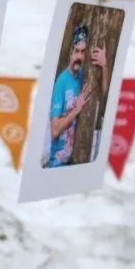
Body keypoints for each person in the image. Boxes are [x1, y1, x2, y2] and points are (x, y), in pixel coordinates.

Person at [46, 23, 107, 168]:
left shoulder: (84, 77)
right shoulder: (61, 82)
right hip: (56, 164)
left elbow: (103, 94)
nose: (79, 56)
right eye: (76, 51)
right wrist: (76, 110)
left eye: (83, 52)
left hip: (75, 162)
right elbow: (54, 131)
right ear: (70, 53)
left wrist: (104, 66)